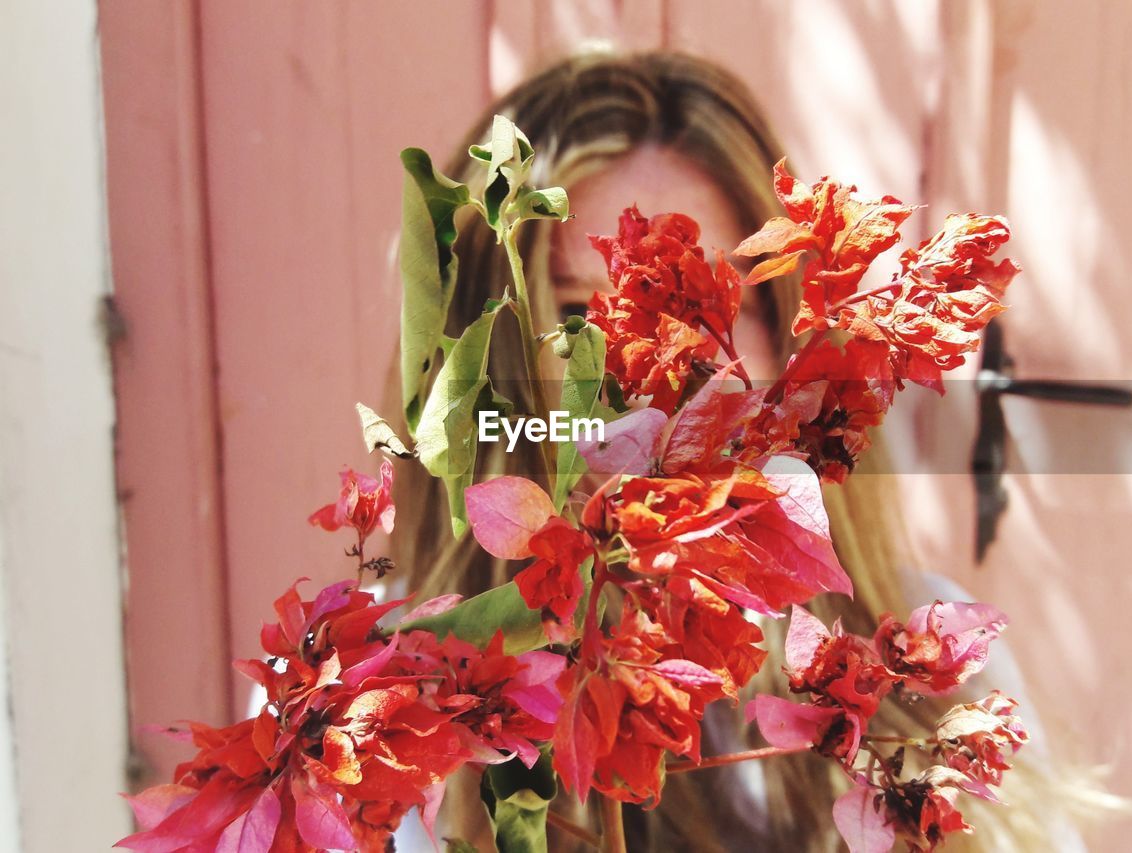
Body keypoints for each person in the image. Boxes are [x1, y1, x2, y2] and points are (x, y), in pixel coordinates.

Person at [391, 49, 1085, 852]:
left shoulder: (926, 663)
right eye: (576, 310)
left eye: (704, 299)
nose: (643, 371)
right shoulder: (377, 696)